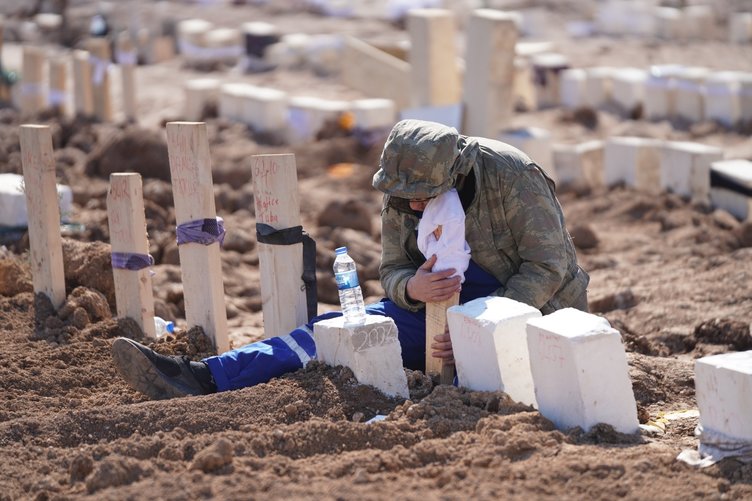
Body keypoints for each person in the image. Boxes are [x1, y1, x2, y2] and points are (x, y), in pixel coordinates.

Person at [111, 119, 589, 400]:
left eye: (424, 198)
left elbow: (546, 268)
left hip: (527, 308)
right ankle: (206, 376)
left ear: (456, 172)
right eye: (405, 198)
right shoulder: (406, 186)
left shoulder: (512, 176)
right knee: (333, 333)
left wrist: (477, 332)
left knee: (479, 380)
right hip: (434, 304)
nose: (413, 207)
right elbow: (391, 270)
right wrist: (410, 289)